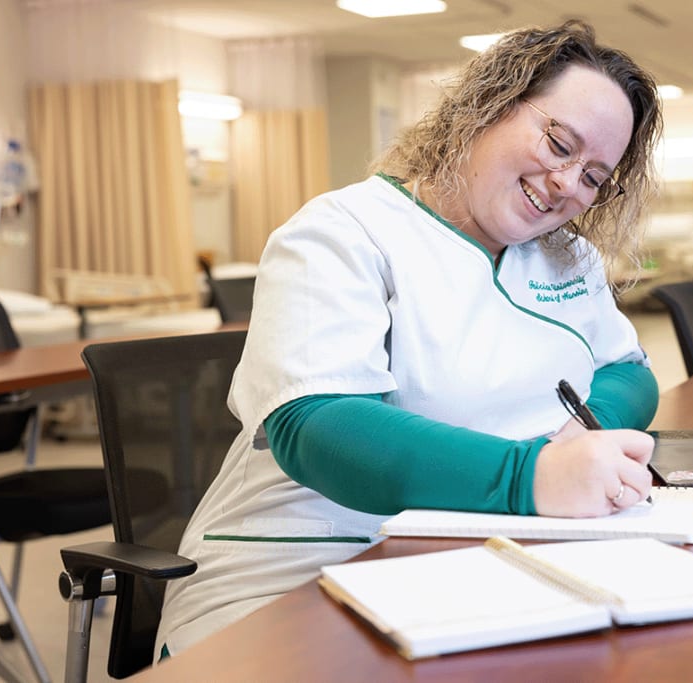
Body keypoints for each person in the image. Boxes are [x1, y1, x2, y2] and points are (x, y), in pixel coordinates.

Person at [156, 19, 663, 658]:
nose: (568, 183)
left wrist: (586, 431)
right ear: (490, 105)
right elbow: (314, 425)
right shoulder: (345, 232)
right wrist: (529, 476)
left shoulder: (568, 257)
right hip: (303, 565)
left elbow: (629, 369)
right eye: (560, 143)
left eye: (594, 176)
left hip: (474, 553)